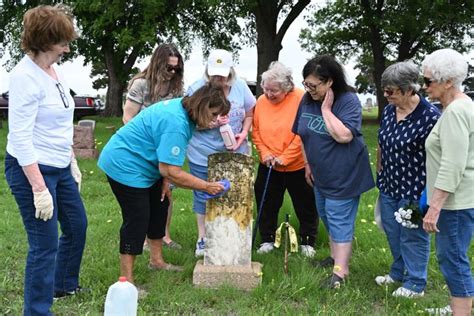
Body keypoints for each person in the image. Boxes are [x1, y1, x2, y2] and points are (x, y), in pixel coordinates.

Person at [98, 83, 229, 284]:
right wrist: (206, 186)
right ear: (201, 106)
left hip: (147, 163)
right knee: (137, 218)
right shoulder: (177, 123)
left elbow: (166, 161)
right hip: (124, 163)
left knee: (160, 206)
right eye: (213, 114)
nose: (214, 120)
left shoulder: (185, 111)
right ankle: (126, 281)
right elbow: (171, 170)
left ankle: (156, 261)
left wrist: (165, 180)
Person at [4, 5, 88, 315]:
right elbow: (21, 138)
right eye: (62, 42)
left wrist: (71, 160)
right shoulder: (24, 77)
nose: (67, 48)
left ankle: (64, 284)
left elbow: (61, 122)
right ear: (44, 40)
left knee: (77, 226)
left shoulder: (56, 71)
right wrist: (39, 188)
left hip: (60, 166)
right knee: (44, 245)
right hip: (31, 170)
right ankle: (37, 311)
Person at [292, 55, 374, 289]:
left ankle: (341, 272)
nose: (309, 89)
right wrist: (307, 164)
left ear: (329, 82)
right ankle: (334, 256)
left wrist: (326, 109)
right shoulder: (307, 100)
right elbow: (303, 134)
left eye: (314, 85)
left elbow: (344, 135)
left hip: (344, 174)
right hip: (320, 173)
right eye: (305, 84)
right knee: (326, 216)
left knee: (339, 220)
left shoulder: (347, 101)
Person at [375, 61, 440, 298]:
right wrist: (380, 172)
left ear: (410, 89)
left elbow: (438, 157)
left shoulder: (430, 117)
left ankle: (415, 283)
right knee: (393, 232)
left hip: (415, 189)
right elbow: (382, 144)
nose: (385, 95)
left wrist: (431, 195)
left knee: (412, 236)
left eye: (390, 91)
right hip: (389, 184)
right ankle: (399, 271)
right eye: (384, 90)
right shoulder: (389, 111)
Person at [186, 49, 256, 257]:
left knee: (234, 193)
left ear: (230, 71)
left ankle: (234, 235)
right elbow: (189, 123)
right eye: (214, 73)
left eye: (222, 73)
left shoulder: (240, 86)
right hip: (203, 153)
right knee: (203, 194)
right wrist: (210, 123)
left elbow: (250, 113)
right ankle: (202, 238)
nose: (218, 77)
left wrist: (243, 134)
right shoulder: (196, 88)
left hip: (235, 152)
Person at [421, 48, 473, 316]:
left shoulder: (454, 112)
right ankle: (458, 305)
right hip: (461, 199)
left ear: (449, 81)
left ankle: (461, 312)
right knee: (454, 255)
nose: (424, 86)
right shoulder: (461, 106)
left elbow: (453, 164)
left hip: (455, 202)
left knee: (452, 258)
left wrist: (435, 206)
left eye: (429, 81)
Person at [252, 61, 319, 258]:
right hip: (268, 163)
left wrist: (285, 157)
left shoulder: (301, 98)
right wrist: (264, 154)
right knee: (266, 202)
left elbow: (303, 133)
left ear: (287, 88)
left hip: (297, 164)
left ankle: (308, 240)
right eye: (266, 89)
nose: (269, 94)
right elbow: (256, 131)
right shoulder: (262, 102)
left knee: (305, 202)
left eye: (274, 91)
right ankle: (267, 239)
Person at [123, 43, 184, 250]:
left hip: (164, 148)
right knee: (141, 195)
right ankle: (140, 238)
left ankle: (163, 236)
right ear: (158, 64)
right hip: (141, 149)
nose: (172, 72)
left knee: (165, 193)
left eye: (177, 69)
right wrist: (147, 141)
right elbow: (127, 118)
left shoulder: (176, 88)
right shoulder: (141, 85)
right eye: (169, 68)